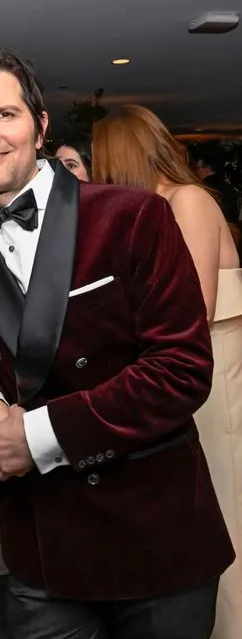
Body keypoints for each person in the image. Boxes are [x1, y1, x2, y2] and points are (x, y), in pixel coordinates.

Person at [0, 39, 234, 639]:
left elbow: (181, 368)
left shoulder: (133, 215)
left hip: (155, 537)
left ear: (39, 127)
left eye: (3, 115)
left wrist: (34, 436)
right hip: (43, 548)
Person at [92, 104, 242, 639]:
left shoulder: (189, 200)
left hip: (216, 387)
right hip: (183, 388)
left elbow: (191, 312)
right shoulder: (150, 214)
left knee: (227, 522)